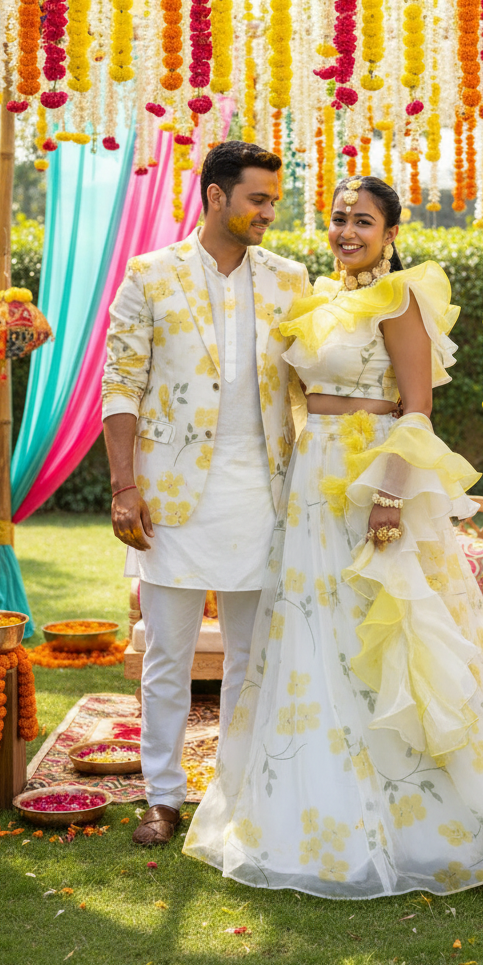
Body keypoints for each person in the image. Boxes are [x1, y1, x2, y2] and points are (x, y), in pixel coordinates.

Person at [183, 175, 483, 896]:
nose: (347, 231)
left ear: (390, 233)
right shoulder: (317, 298)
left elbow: (418, 408)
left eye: (364, 221)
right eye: (339, 218)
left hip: (371, 478)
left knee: (391, 630)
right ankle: (314, 806)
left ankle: (427, 815)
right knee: (314, 636)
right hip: (310, 485)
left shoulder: (401, 297)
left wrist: (389, 495)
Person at [101, 141, 312, 847]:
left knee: (252, 658)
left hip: (265, 495)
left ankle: (235, 795)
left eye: (274, 200)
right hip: (171, 498)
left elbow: (315, 380)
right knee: (168, 656)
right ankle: (163, 797)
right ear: (216, 196)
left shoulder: (291, 279)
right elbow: (121, 384)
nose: (269, 213)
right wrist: (125, 485)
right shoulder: (149, 275)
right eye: (259, 199)